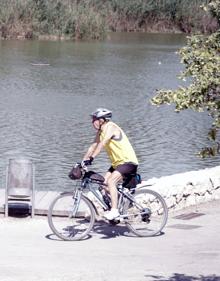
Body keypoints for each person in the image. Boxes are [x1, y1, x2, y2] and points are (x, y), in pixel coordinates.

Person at [82, 108, 138, 220]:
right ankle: (120, 204)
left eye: (94, 119)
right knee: (103, 183)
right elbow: (93, 146)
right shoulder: (100, 132)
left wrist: (92, 158)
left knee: (111, 181)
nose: (92, 122)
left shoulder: (111, 127)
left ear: (102, 120)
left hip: (128, 162)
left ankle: (115, 211)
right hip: (117, 164)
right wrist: (83, 162)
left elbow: (103, 143)